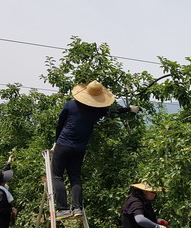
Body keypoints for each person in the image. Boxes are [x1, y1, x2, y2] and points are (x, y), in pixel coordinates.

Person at [52, 80, 138, 220]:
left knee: (57, 176)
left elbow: (59, 124)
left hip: (64, 144)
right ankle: (77, 208)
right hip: (80, 148)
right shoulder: (97, 110)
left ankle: (63, 209)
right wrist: (129, 109)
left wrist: (56, 142)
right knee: (75, 177)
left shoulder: (70, 105)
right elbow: (113, 111)